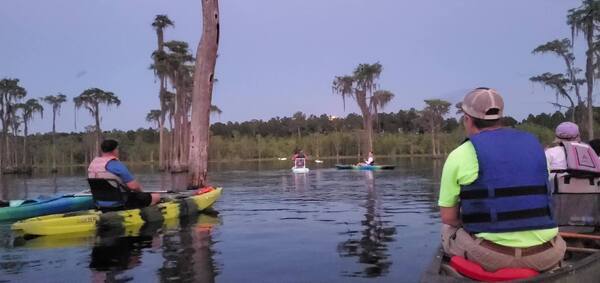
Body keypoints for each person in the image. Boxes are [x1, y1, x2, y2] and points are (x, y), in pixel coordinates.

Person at [439, 87, 565, 272]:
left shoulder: (460, 154)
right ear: (500, 117)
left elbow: (449, 218)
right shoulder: (536, 146)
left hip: (491, 257)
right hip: (548, 253)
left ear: (467, 119)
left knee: (446, 230)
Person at [88, 139, 160, 208]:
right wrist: (142, 193)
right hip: (120, 202)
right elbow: (134, 187)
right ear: (115, 150)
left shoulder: (93, 164)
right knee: (156, 196)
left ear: (102, 150)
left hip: (99, 202)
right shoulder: (116, 165)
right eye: (117, 149)